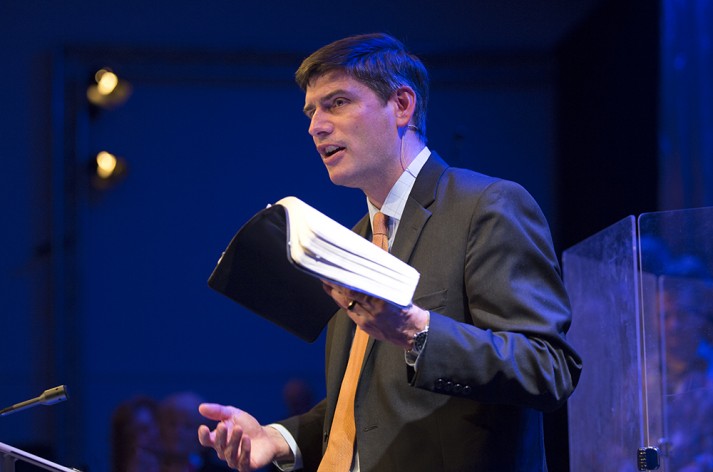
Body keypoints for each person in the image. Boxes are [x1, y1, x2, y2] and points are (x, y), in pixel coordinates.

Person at [197, 32, 582, 471]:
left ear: (402, 105)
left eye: (337, 102)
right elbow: (367, 408)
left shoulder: (486, 206)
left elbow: (549, 367)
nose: (315, 125)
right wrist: (278, 438)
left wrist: (417, 331)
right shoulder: (353, 240)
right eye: (311, 111)